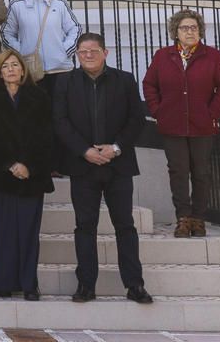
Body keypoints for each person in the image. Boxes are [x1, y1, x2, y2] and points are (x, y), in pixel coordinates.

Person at [55, 32, 151, 304]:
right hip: (82, 166)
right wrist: (84, 151)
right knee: (85, 227)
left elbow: (136, 119)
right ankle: (86, 285)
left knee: (125, 226)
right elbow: (60, 121)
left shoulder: (125, 80)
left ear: (105, 53)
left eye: (93, 51)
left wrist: (115, 148)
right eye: (82, 51)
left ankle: (135, 285)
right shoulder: (65, 82)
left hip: (117, 166)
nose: (87, 55)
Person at [144, 8, 220, 237]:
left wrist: (212, 112)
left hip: (202, 125)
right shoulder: (162, 56)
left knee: (201, 172)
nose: (190, 32)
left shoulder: (211, 55)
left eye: (194, 28)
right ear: (175, 31)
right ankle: (183, 218)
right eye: (185, 28)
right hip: (172, 125)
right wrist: (158, 111)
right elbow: (149, 85)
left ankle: (198, 218)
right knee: (178, 171)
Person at [0, 48, 53, 301]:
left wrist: (28, 165)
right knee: (2, 231)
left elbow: (46, 136)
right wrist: (10, 164)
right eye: (5, 66)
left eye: (14, 65)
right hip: (3, 173)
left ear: (23, 69)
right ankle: (0, 281)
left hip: (32, 174)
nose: (10, 69)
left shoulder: (39, 96)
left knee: (28, 231)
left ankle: (28, 283)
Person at [1, 0, 82, 92]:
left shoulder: (59, 3)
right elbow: (6, 33)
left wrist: (65, 50)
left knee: (61, 110)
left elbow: (75, 28)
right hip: (31, 70)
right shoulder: (16, 6)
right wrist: (20, 52)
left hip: (61, 69)